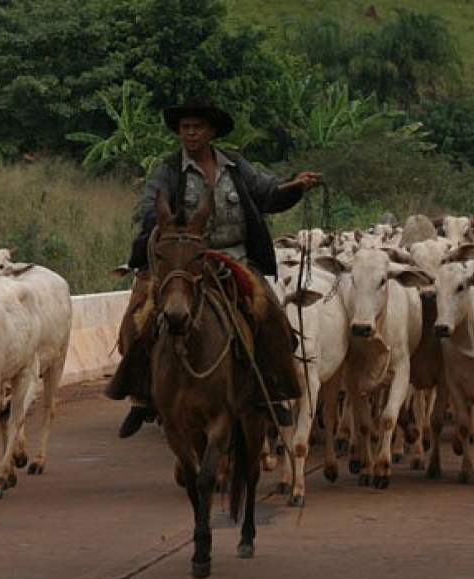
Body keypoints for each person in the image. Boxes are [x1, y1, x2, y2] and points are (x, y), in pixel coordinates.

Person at [108, 96, 323, 438]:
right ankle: (141, 394)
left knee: (272, 316)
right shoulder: (167, 170)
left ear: (211, 133)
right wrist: (165, 220)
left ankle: (273, 389)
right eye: (184, 128)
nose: (189, 134)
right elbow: (147, 208)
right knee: (138, 318)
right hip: (180, 259)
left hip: (233, 257)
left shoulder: (236, 168)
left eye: (196, 128)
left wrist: (295, 185)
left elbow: (268, 192)